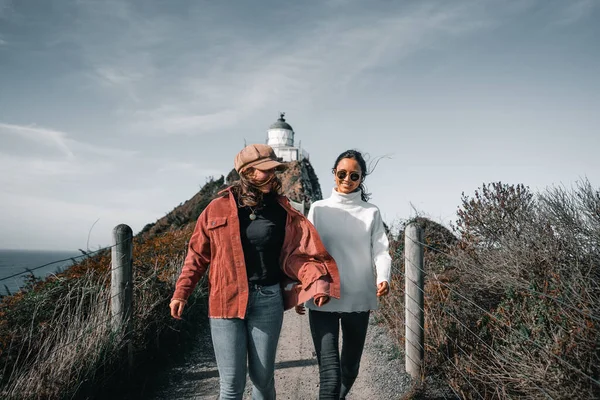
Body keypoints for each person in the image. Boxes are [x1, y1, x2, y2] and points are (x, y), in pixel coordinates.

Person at [169, 143, 340, 400]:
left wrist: (313, 282)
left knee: (262, 380)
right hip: (225, 301)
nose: (273, 175)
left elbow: (297, 255)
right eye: (265, 170)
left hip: (268, 300)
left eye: (275, 169)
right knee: (231, 385)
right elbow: (197, 256)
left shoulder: (283, 211)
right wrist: (181, 293)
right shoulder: (214, 209)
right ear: (248, 173)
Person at [296, 149, 392, 400]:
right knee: (329, 375)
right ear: (334, 174)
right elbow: (305, 253)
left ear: (361, 179)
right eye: (342, 173)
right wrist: (300, 289)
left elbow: (381, 250)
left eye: (354, 176)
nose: (347, 179)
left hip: (358, 299)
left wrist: (384, 276)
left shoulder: (371, 212)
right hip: (322, 298)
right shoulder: (318, 209)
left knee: (350, 370)